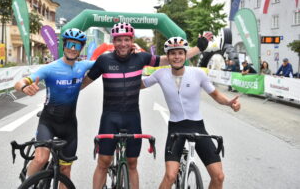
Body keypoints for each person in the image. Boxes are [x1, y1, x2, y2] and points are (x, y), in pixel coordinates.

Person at [81, 22, 213, 189]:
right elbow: (85, 82)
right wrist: (64, 93)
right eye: (119, 40)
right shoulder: (104, 60)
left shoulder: (141, 57)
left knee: (132, 163)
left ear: (132, 40)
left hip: (132, 118)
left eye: (127, 40)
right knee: (103, 162)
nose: (123, 44)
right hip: (109, 117)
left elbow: (169, 58)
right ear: (113, 41)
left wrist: (198, 48)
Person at [141, 37, 240, 189]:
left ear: (185, 55)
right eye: (172, 53)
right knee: (170, 176)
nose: (177, 57)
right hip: (176, 128)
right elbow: (138, 84)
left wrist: (229, 103)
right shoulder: (161, 74)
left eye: (180, 53)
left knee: (219, 176)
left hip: (197, 127)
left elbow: (215, 95)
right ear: (167, 57)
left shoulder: (197, 73)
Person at [14, 28, 94, 184]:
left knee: (65, 170)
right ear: (64, 46)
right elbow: (20, 82)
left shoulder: (83, 66)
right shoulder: (50, 68)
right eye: (70, 44)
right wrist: (24, 88)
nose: (72, 48)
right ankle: (27, 184)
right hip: (49, 122)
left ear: (81, 49)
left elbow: (108, 60)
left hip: (69, 125)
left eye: (77, 46)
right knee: (40, 159)